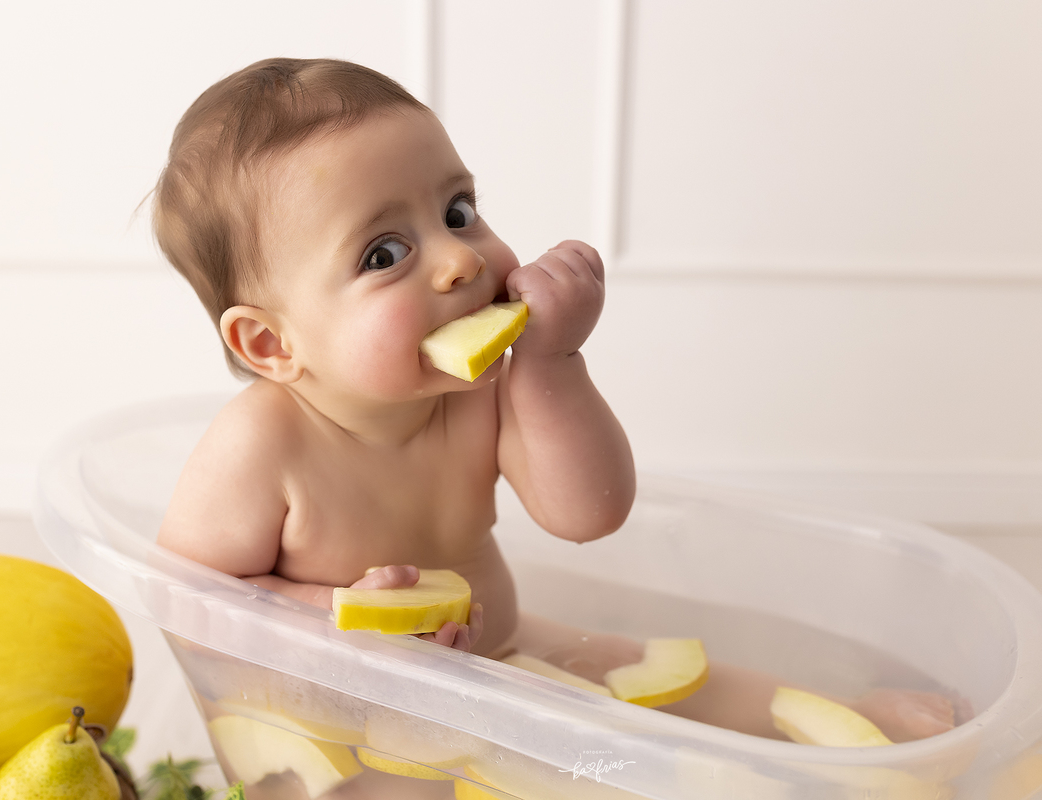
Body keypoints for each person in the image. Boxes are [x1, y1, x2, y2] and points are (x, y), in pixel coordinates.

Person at [152, 57, 953, 760]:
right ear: (270, 345)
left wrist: (552, 360)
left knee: (678, 682)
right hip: (341, 718)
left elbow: (587, 513)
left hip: (506, 655)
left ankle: (843, 726)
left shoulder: (485, 393)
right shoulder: (261, 445)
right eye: (384, 254)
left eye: (457, 210)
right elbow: (188, 604)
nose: (461, 259)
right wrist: (334, 621)